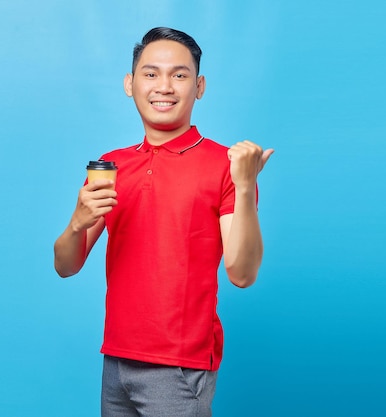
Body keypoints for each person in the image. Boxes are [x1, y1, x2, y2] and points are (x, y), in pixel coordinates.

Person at [53, 27, 273, 417]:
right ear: (129, 83)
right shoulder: (110, 165)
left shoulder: (226, 165)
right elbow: (66, 265)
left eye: (180, 75)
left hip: (179, 365)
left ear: (199, 86)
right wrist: (77, 222)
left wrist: (244, 186)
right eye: (151, 74)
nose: (164, 86)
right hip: (115, 358)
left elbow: (242, 273)